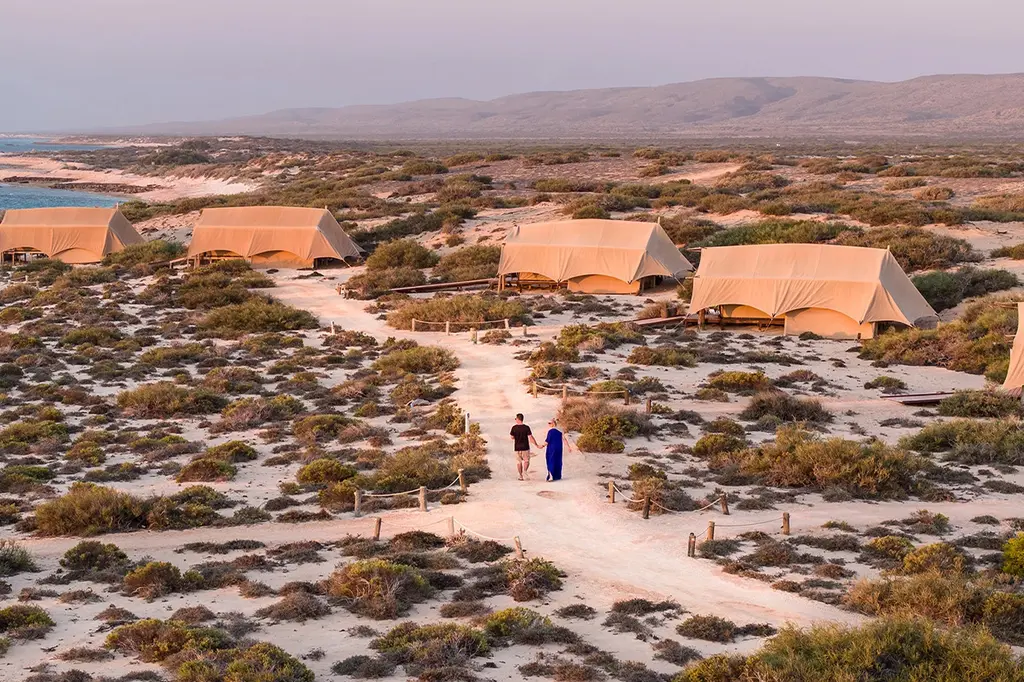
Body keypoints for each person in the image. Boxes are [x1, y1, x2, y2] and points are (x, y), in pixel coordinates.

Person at [509, 413, 539, 481]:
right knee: (526, 461)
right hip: (525, 447)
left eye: (515, 419)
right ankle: (525, 471)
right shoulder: (526, 427)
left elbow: (512, 437)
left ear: (518, 419)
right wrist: (536, 445)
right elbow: (530, 437)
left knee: (519, 462)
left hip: (517, 447)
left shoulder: (514, 428)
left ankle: (520, 476)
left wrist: (516, 437)